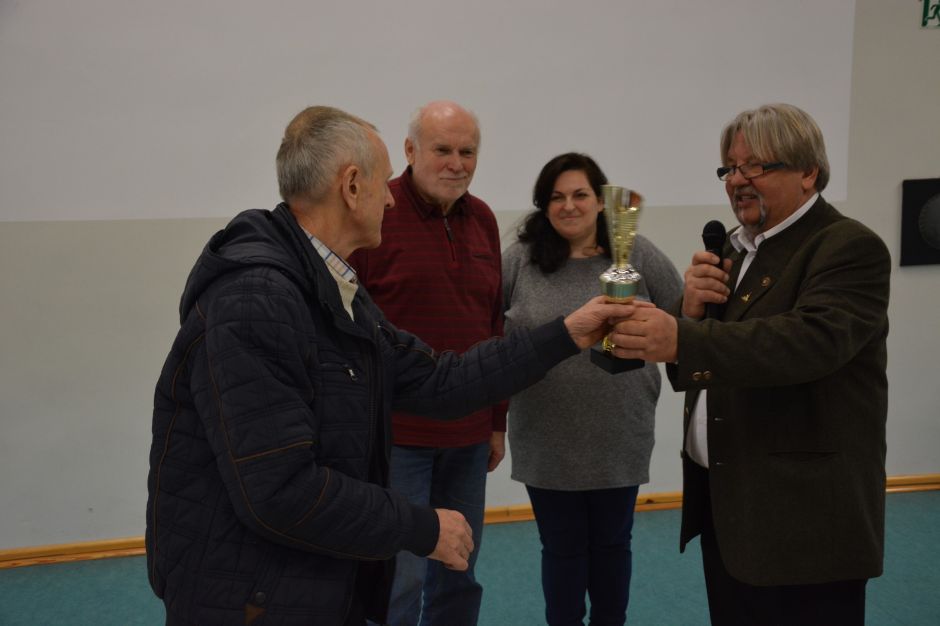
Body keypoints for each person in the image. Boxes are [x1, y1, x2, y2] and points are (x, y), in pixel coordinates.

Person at [145, 105, 640, 626]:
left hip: (296, 576)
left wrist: (568, 332)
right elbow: (280, 490)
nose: (389, 197)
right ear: (351, 186)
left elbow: (438, 379)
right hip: (247, 589)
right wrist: (420, 527)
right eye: (383, 183)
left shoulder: (330, 286)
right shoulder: (256, 301)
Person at [608, 103, 890, 625]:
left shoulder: (849, 247)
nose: (738, 180)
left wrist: (683, 336)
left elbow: (807, 344)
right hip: (732, 507)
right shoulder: (737, 251)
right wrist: (691, 310)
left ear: (809, 172)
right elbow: (708, 361)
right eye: (730, 168)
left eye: (756, 165)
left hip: (805, 521)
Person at [501, 152, 682, 626]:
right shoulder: (519, 260)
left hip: (619, 432)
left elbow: (681, 317)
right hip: (546, 435)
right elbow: (490, 340)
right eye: (556, 197)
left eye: (580, 194)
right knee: (560, 548)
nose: (569, 206)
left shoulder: (636, 253)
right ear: (544, 205)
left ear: (601, 201)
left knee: (612, 545)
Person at [347, 100, 503, 626]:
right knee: (399, 575)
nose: (456, 163)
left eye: (467, 152)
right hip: (398, 437)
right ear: (410, 151)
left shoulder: (484, 220)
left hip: (469, 435)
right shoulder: (377, 214)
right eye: (442, 150)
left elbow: (493, 324)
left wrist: (496, 421)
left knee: (460, 568)